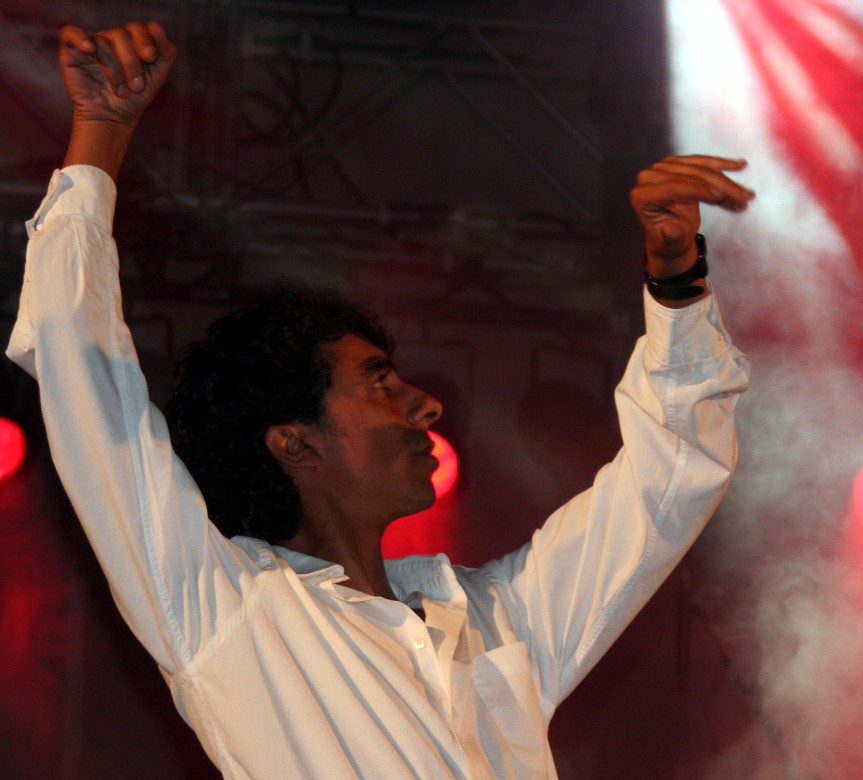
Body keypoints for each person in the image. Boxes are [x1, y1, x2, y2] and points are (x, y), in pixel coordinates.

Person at [6, 20, 753, 780]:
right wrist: (100, 134)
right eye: (380, 384)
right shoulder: (228, 608)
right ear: (294, 440)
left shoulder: (496, 621)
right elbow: (80, 368)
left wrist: (678, 281)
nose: (427, 406)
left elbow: (670, 477)